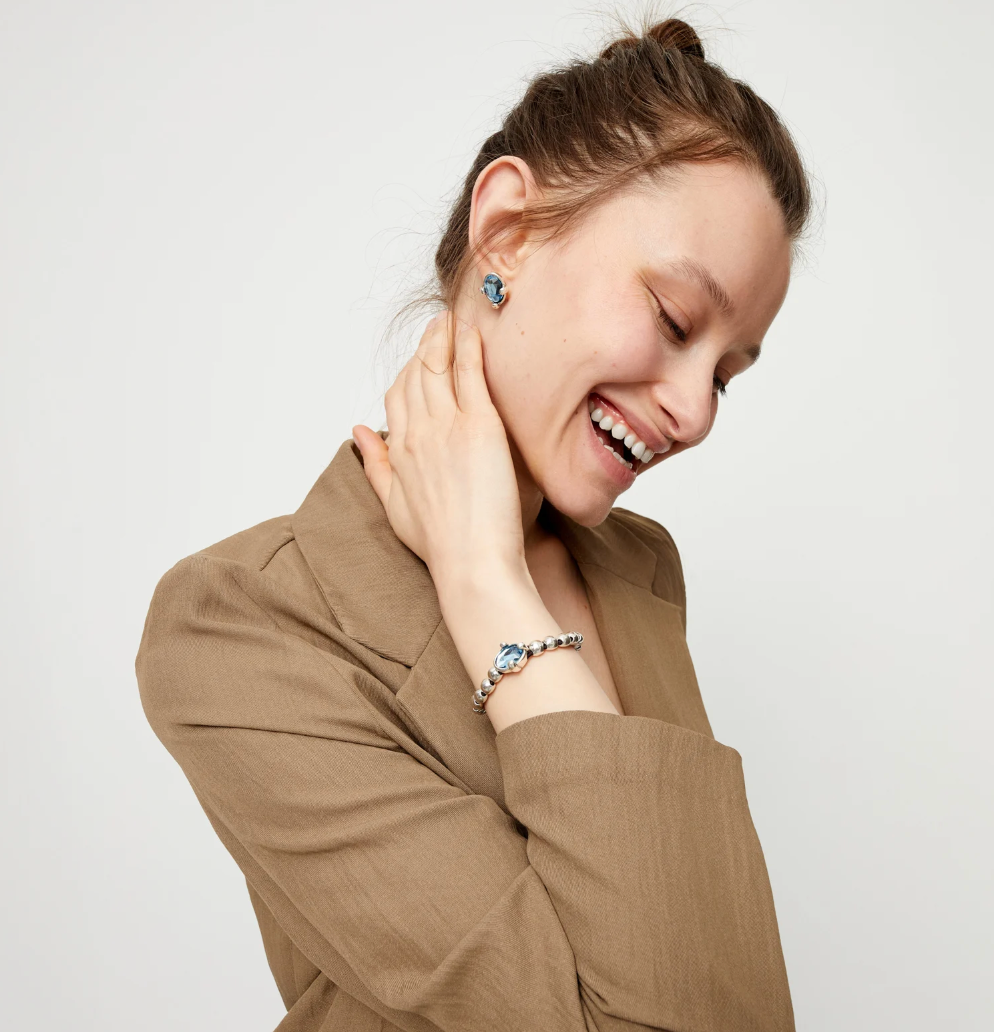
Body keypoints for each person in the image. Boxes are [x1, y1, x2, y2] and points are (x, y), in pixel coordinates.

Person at [136, 16, 812, 1032]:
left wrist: (483, 569)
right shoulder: (239, 623)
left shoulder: (642, 574)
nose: (696, 410)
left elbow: (730, 1001)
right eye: (675, 320)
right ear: (507, 232)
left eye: (726, 373)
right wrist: (484, 582)